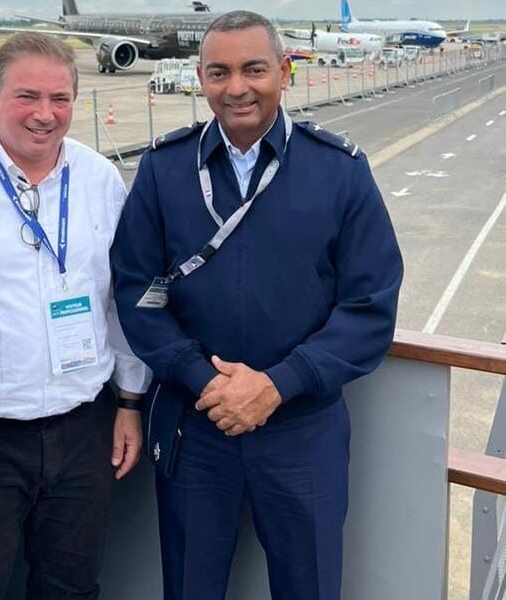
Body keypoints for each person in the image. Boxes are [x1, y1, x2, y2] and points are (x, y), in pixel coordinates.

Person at [110, 11, 402, 600]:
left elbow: (370, 304)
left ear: (285, 72)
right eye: (219, 72)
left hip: (301, 429)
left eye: (254, 69)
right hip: (197, 424)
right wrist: (201, 379)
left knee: (310, 586)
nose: (236, 87)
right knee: (191, 586)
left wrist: (277, 385)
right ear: (200, 78)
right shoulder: (166, 169)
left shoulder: (337, 170)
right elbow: (138, 291)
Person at [0, 32, 150, 600]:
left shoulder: (100, 180)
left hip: (84, 426)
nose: (45, 114)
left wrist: (131, 403)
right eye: (27, 97)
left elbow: (119, 300)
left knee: (72, 587)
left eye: (60, 99)